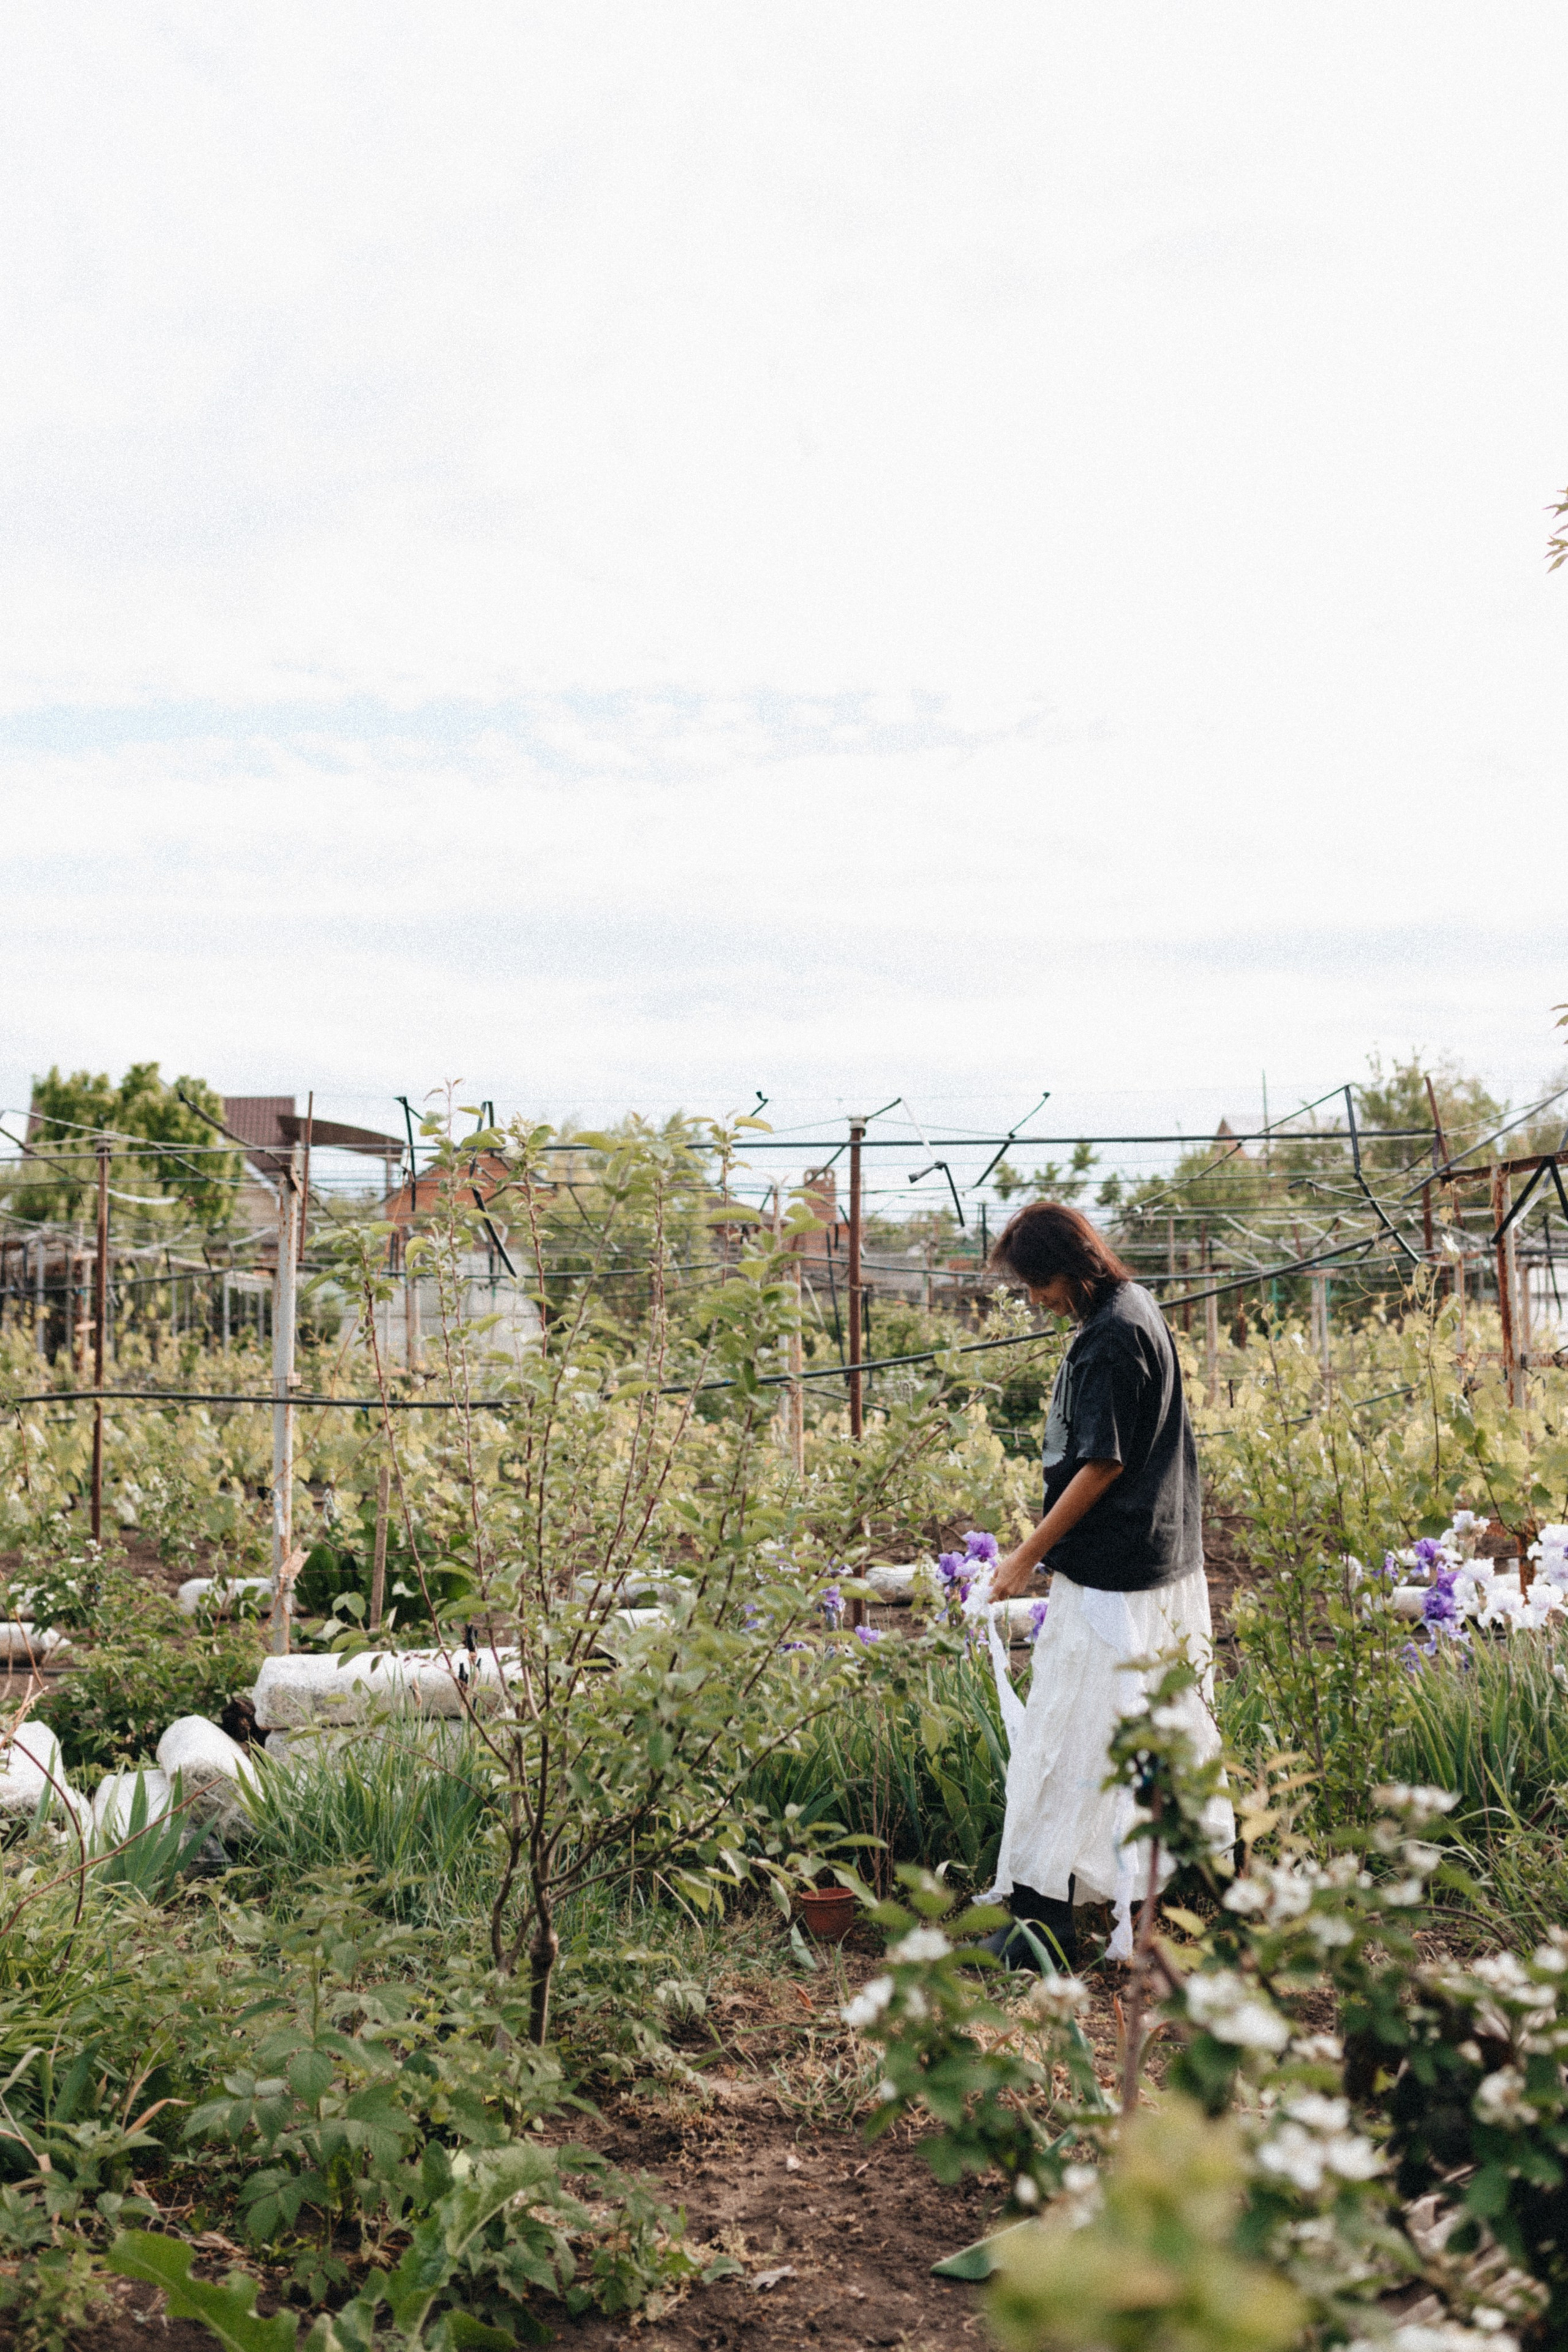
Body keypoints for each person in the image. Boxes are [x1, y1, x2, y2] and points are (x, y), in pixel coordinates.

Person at [980, 1200, 1232, 1970]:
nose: (1036, 1300)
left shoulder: (1110, 1337)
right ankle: (1205, 1892)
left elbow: (1103, 1464)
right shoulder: (1135, 1308)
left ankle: (1040, 1927)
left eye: (1037, 1284)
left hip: (1113, 1579)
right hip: (1154, 1561)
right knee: (1158, 1735)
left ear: (1069, 1268)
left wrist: (1024, 1556)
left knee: (1064, 1740)